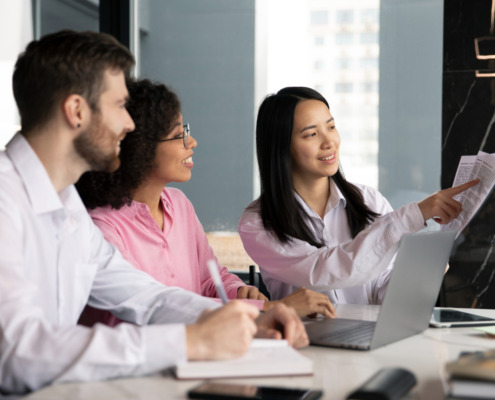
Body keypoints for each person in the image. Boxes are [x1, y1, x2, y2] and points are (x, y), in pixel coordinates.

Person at [0, 31, 308, 395]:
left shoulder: (66, 206)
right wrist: (189, 342)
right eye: (118, 106)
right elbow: (17, 355)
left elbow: (146, 296)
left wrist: (245, 318)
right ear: (77, 111)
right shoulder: (6, 201)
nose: (129, 125)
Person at [75, 78, 336, 324]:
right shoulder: (103, 228)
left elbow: (212, 278)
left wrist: (239, 292)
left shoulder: (178, 204)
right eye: (180, 135)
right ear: (140, 148)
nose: (193, 142)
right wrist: (268, 309)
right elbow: (156, 310)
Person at [238, 86, 478, 305]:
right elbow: (327, 272)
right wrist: (415, 214)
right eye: (311, 134)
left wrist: (422, 272)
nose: (329, 141)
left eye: (331, 127)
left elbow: (381, 291)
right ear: (281, 146)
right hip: (305, 345)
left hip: (366, 340)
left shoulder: (368, 200)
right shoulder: (258, 223)